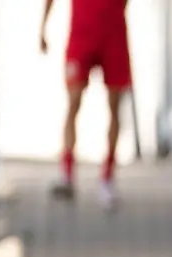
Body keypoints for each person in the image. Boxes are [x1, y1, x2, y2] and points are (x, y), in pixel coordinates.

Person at [41, 0, 130, 209]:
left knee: (115, 107)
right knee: (73, 103)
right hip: (82, 34)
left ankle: (108, 178)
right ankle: (67, 174)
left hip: (113, 34)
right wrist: (43, 26)